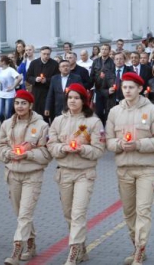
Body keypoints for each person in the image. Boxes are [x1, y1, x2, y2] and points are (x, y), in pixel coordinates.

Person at [106, 72, 154, 265]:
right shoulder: (115, 112)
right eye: (124, 87)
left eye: (131, 87)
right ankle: (136, 245)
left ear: (140, 89)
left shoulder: (153, 111)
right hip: (124, 169)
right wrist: (118, 144)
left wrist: (139, 145)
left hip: (145, 169)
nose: (127, 91)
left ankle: (140, 250)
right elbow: (108, 141)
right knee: (129, 212)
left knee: (143, 210)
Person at [47, 83, 106, 264]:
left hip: (84, 173)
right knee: (68, 214)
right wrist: (63, 148)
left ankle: (72, 253)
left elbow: (99, 149)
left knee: (78, 213)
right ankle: (81, 247)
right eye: (70, 97)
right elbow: (50, 144)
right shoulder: (58, 120)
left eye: (77, 98)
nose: (72, 101)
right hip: (64, 172)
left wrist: (82, 150)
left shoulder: (93, 122)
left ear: (84, 100)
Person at [0, 90, 51, 264]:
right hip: (12, 174)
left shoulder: (42, 126)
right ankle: (32, 244)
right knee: (21, 214)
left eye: (24, 103)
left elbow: (47, 153)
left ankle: (17, 251)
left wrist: (28, 154)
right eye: (17, 103)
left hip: (32, 175)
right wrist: (9, 153)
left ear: (30, 106)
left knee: (25, 215)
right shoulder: (6, 124)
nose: (20, 106)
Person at [26, 46, 60, 122]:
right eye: (44, 54)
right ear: (40, 53)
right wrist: (35, 79)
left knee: (50, 114)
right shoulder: (34, 63)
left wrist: (46, 80)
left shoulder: (54, 64)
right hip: (37, 92)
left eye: (48, 54)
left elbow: (57, 78)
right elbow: (28, 76)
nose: (46, 56)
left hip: (49, 92)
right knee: (38, 114)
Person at [90, 44, 114, 125]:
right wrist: (89, 85)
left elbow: (113, 76)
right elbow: (92, 75)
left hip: (108, 91)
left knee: (108, 112)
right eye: (102, 49)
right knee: (98, 111)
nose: (104, 51)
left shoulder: (112, 62)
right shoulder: (96, 61)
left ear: (109, 51)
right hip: (98, 90)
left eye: (106, 49)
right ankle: (100, 129)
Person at [0, 56, 23, 123]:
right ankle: (4, 125)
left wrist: (13, 86)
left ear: (3, 62)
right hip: (0, 94)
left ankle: (9, 127)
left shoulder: (10, 70)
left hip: (9, 94)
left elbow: (19, 77)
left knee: (8, 114)